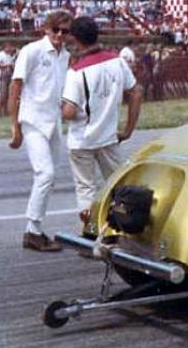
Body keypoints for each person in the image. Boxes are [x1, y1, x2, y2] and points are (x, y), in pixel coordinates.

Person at [61, 17, 143, 222]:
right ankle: (120, 226)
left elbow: (69, 112)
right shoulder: (117, 61)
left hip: (82, 139)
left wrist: (60, 106)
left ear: (75, 39)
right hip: (108, 136)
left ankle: (90, 232)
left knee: (86, 189)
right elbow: (136, 93)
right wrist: (128, 129)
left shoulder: (76, 71)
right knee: (119, 185)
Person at [9, 10, 72, 251]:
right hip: (32, 121)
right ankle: (33, 231)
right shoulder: (31, 51)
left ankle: (34, 230)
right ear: (46, 29)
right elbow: (15, 87)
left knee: (50, 176)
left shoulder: (65, 55)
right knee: (44, 174)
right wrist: (15, 127)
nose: (59, 35)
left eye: (64, 31)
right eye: (55, 30)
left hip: (53, 122)